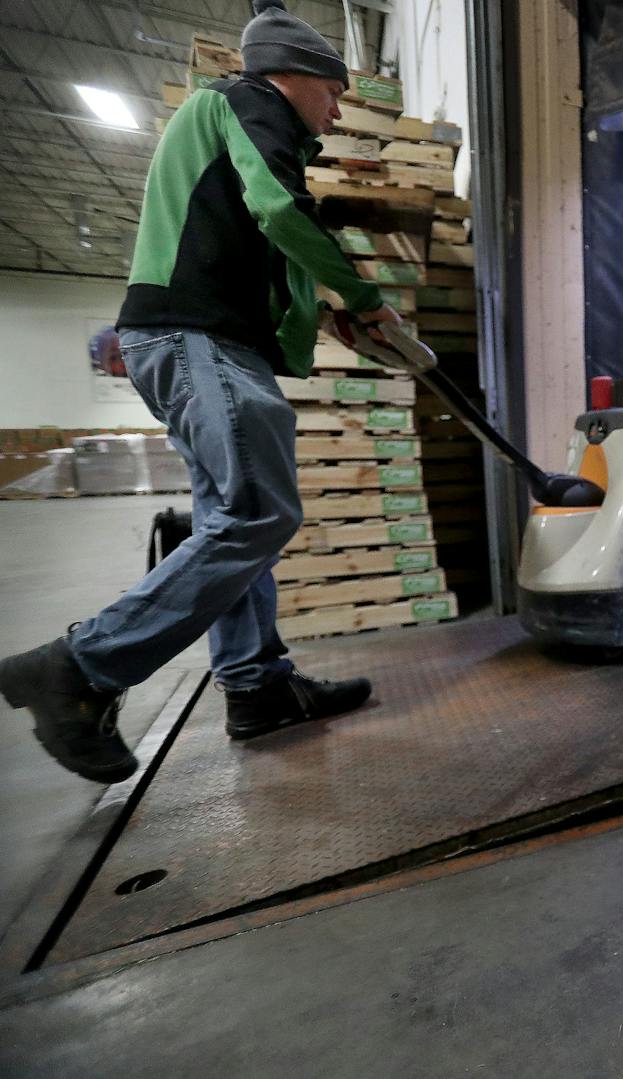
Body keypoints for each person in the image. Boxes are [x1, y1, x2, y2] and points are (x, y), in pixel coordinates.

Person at [0, 0, 399, 783]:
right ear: (298, 75)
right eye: (335, 90)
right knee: (259, 511)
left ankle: (256, 687)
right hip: (196, 338)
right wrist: (359, 293)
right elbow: (281, 209)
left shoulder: (230, 121)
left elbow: (253, 241)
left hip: (192, 339)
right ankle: (79, 666)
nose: (337, 107)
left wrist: (324, 312)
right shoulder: (251, 101)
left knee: (229, 515)